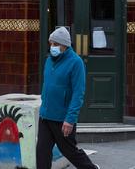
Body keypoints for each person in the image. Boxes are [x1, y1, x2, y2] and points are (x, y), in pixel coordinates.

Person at [36, 26, 99, 169]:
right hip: (45, 116)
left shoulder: (76, 62)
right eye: (51, 43)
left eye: (56, 44)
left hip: (62, 119)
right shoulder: (49, 60)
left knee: (70, 151)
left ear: (65, 45)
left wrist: (70, 119)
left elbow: (78, 93)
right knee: (42, 152)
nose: (52, 47)